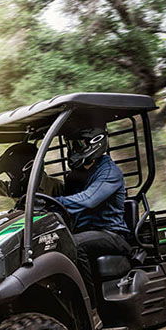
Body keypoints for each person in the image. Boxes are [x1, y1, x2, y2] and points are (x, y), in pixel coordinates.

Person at [54, 126, 132, 316]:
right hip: (86, 233)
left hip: (111, 233)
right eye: (71, 145)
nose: (72, 150)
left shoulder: (109, 172)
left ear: (94, 144)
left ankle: (90, 311)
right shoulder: (75, 176)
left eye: (77, 145)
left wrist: (55, 202)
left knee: (74, 245)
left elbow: (88, 199)